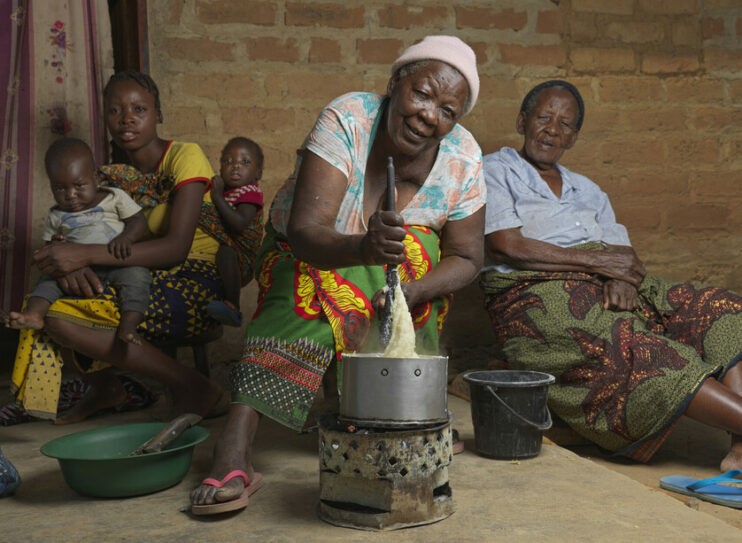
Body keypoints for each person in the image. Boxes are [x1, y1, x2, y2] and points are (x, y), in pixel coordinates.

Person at [190, 35, 486, 514]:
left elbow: (469, 258)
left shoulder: (463, 157)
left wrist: (411, 292)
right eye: (423, 94)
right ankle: (237, 442)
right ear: (394, 83)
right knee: (305, 284)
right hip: (308, 251)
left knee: (418, 254)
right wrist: (363, 247)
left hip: (400, 276)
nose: (431, 115)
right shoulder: (349, 118)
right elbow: (306, 232)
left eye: (448, 111)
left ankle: (408, 415)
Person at [481, 79, 742, 471]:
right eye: (544, 117)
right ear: (522, 121)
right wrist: (602, 266)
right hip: (535, 288)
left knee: (719, 308)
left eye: (565, 124)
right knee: (640, 347)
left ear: (574, 137)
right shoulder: (494, 169)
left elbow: (625, 255)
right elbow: (507, 246)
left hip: (605, 278)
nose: (553, 130)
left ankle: (740, 447)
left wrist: (620, 277)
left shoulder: (588, 190)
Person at [9, 70, 229, 424]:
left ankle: (194, 386)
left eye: (139, 109)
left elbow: (175, 248)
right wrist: (72, 264)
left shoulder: (185, 157)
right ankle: (107, 389)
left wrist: (84, 256)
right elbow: (75, 236)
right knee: (46, 309)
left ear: (158, 114)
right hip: (127, 276)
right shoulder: (105, 180)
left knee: (64, 316)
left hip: (194, 281)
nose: (126, 118)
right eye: (115, 111)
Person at [4, 138, 151, 345]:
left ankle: (129, 326)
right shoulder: (56, 215)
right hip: (76, 270)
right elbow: (49, 248)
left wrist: (127, 237)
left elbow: (138, 220)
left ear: (95, 176)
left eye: (79, 185)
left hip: (116, 262)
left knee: (138, 276)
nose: (71, 195)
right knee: (46, 282)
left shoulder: (114, 197)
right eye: (60, 188)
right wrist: (56, 243)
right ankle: (34, 315)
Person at [205, 137, 265, 327]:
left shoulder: (250, 193)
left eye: (245, 162)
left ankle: (233, 308)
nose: (235, 166)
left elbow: (239, 224)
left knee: (226, 252)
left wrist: (216, 197)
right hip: (228, 262)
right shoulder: (226, 192)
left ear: (258, 173)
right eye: (228, 161)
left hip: (243, 259)